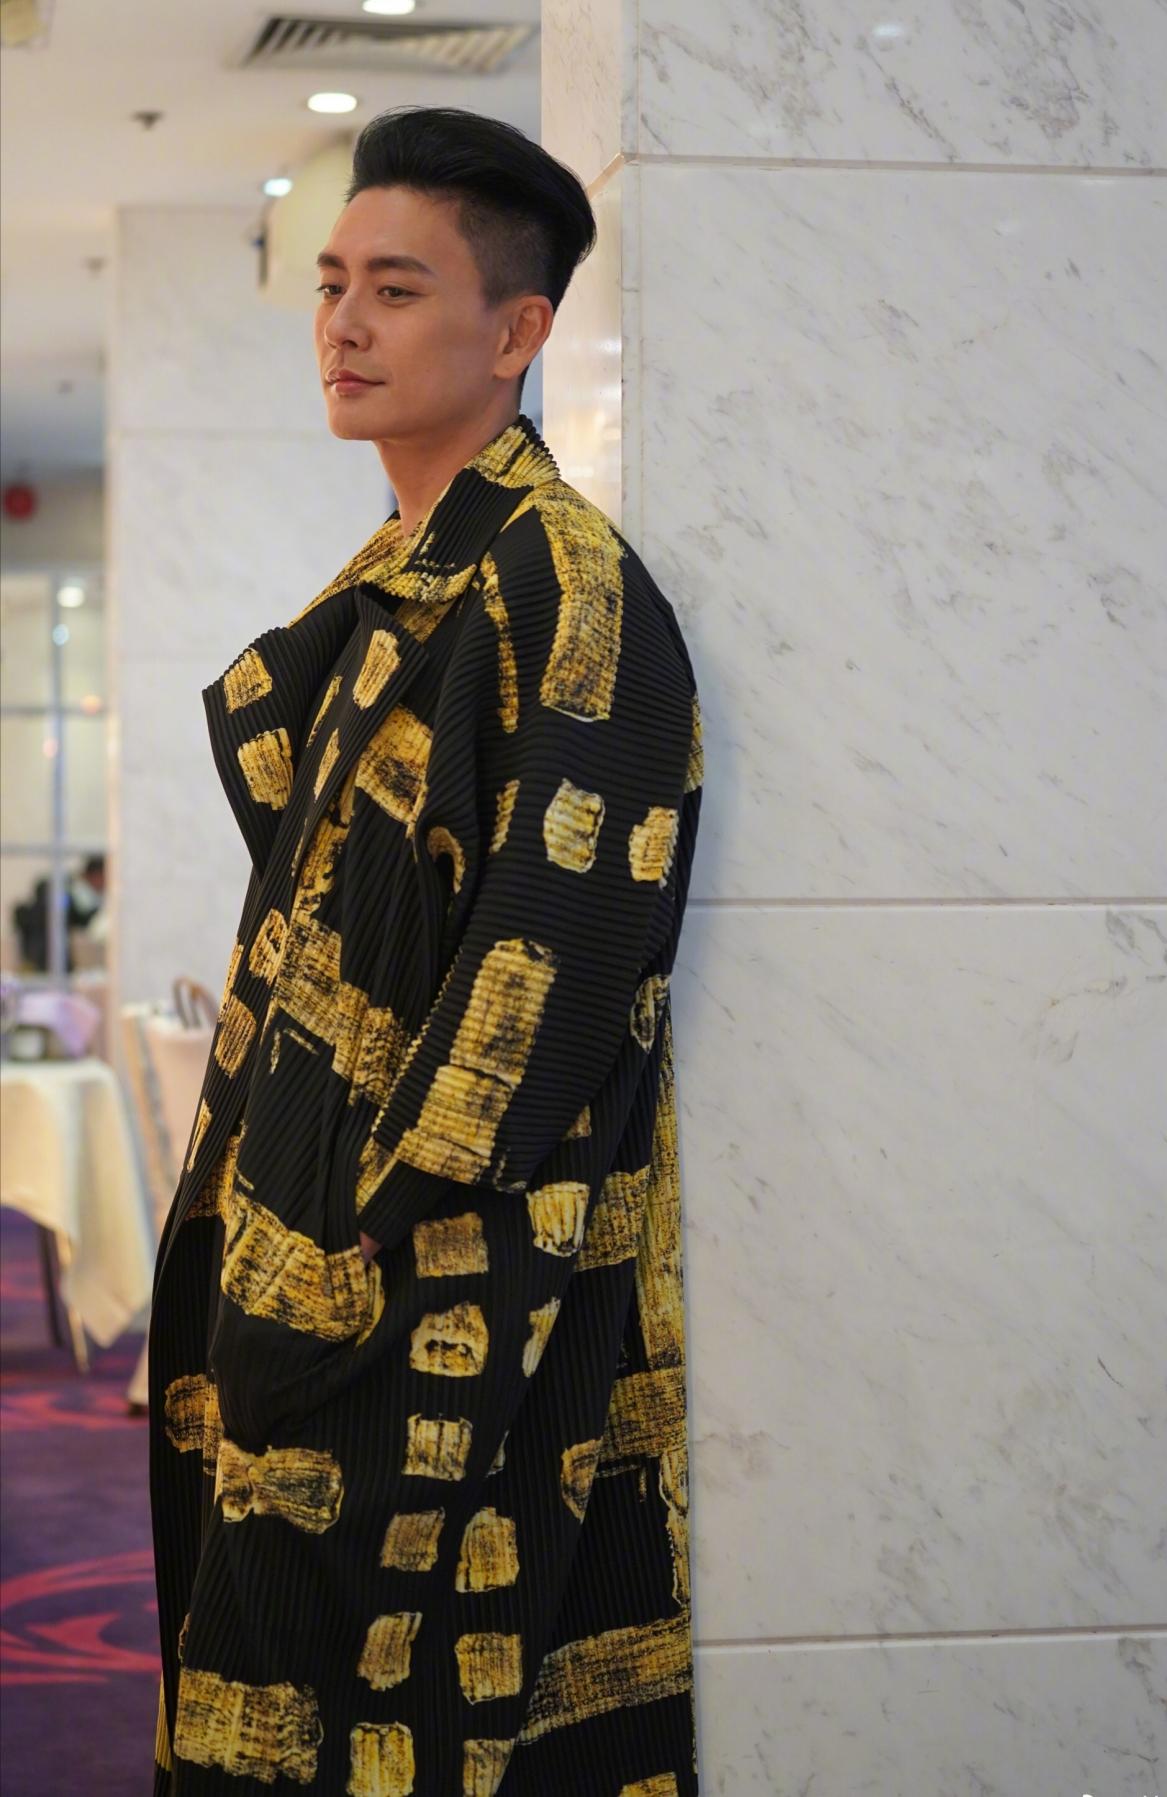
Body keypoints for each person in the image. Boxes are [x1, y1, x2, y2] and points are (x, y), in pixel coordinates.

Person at [147, 105, 704, 1796]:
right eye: (332, 285)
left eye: (395, 289)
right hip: (309, 1254)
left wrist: (361, 1239)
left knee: (416, 1716)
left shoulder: (564, 586)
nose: (343, 324)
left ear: (517, 331)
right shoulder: (410, 573)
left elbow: (551, 980)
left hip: (434, 1289)